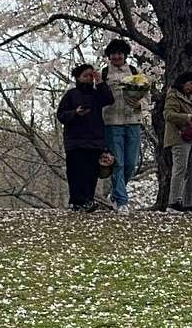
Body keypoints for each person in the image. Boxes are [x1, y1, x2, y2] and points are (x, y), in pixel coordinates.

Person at [56, 63, 115, 210]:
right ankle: (77, 201)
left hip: (94, 140)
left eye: (91, 75)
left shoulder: (96, 94)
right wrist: (75, 113)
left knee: (92, 172)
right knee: (75, 171)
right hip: (75, 141)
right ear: (77, 77)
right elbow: (61, 115)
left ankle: (88, 200)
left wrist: (100, 82)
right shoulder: (71, 95)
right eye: (85, 76)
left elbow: (109, 99)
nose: (88, 79)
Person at [100, 37, 148, 209]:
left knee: (130, 164)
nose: (116, 57)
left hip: (133, 122)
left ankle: (115, 193)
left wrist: (140, 105)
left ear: (125, 55)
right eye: (113, 54)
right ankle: (121, 201)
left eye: (119, 53)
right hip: (112, 123)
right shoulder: (104, 74)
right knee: (117, 162)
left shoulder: (135, 72)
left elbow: (146, 97)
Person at [163, 72, 192, 211]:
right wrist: (188, 117)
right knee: (180, 169)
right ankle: (174, 201)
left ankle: (190, 202)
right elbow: (169, 115)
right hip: (180, 137)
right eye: (190, 83)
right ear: (183, 82)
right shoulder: (173, 95)